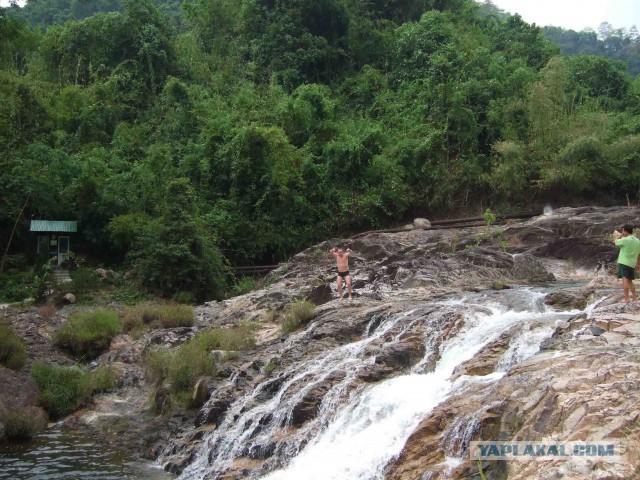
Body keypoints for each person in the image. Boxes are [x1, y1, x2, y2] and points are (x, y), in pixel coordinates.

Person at [612, 225, 640, 303]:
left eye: (623, 231)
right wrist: (638, 264)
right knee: (630, 281)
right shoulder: (637, 241)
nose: (622, 232)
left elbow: (614, 242)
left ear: (626, 231)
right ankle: (635, 298)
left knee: (625, 280)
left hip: (624, 262)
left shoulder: (625, 240)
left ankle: (627, 298)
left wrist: (621, 235)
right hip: (632, 263)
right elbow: (638, 254)